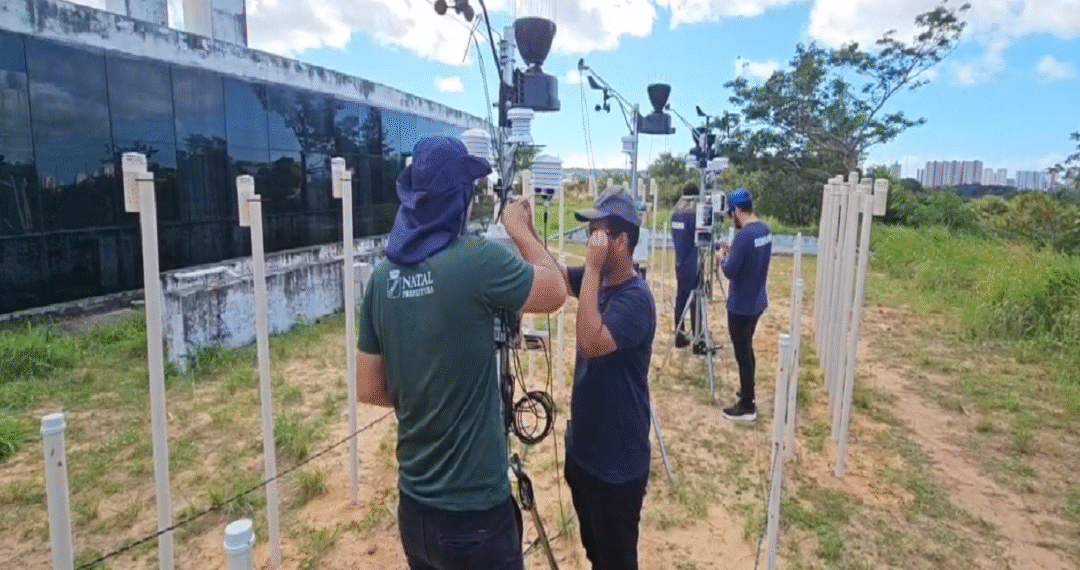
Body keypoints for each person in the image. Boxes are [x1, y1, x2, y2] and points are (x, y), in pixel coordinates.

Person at [355, 136, 568, 570]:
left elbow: (369, 387)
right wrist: (521, 230)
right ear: (461, 201)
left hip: (415, 510)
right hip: (476, 516)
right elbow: (555, 291)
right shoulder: (476, 260)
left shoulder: (381, 279)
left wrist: (429, 394)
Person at [561, 186, 657, 570]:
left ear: (621, 241)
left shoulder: (636, 299)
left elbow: (591, 340)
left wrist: (592, 269)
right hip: (584, 452)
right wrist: (525, 232)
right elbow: (554, 276)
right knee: (595, 554)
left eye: (597, 234)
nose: (590, 243)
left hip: (617, 466)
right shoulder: (596, 280)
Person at [717, 188, 772, 422]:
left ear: (737, 210)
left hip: (741, 305)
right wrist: (734, 253)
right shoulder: (764, 230)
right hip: (757, 300)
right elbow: (751, 259)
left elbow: (730, 271)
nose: (733, 218)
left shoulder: (744, 236)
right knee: (747, 349)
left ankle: (747, 405)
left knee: (743, 353)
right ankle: (747, 389)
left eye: (732, 213)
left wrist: (722, 258)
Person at [670, 182, 700, 350]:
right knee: (696, 300)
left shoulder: (675, 215)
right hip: (692, 263)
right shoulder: (693, 216)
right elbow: (701, 238)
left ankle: (679, 335)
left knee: (681, 299)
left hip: (680, 262)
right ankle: (698, 338)